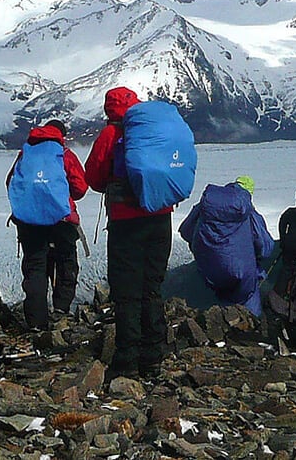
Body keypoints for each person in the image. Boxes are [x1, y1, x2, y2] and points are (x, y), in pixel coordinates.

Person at [85, 87, 180, 378]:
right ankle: (154, 354)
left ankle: (127, 359)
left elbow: (94, 176)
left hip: (126, 221)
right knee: (151, 287)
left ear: (108, 109)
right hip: (161, 218)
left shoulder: (111, 134)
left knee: (126, 290)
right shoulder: (155, 129)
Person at [6, 120, 89, 331]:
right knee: (66, 264)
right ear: (62, 135)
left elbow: (11, 183)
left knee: (35, 268)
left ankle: (36, 322)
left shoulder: (26, 153)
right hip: (62, 221)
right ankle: (61, 312)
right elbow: (80, 187)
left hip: (30, 223)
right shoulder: (64, 154)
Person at [179, 176, 276, 315]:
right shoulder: (248, 213)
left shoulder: (207, 205)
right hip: (241, 272)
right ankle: (251, 327)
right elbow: (266, 246)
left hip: (210, 269)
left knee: (223, 299)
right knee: (250, 293)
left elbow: (186, 230)